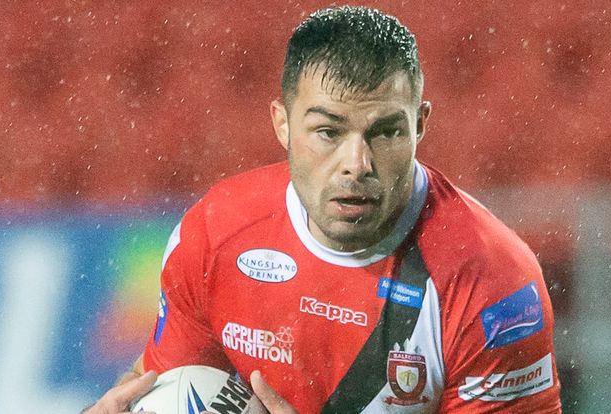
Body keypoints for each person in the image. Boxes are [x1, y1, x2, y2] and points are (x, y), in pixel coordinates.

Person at [84, 5, 562, 413]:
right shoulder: (216, 233)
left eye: (386, 132)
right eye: (329, 132)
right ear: (283, 124)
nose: (356, 164)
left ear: (420, 125)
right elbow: (165, 384)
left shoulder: (492, 284)